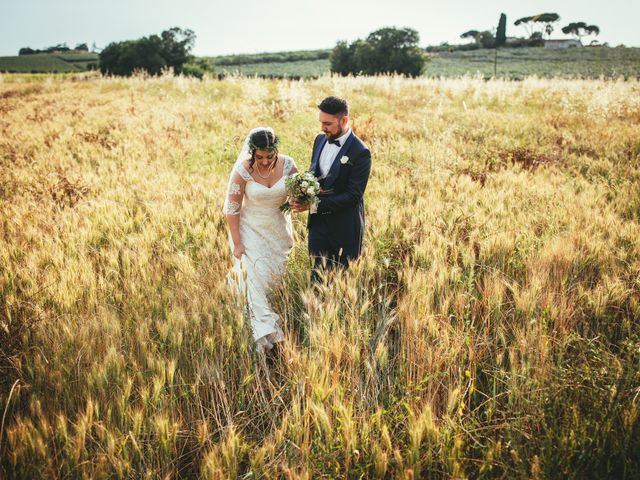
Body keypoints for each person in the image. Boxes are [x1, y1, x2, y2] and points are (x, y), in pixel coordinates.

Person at [223, 127, 298, 352]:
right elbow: (232, 209)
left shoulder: (288, 165)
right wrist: (237, 243)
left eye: (269, 156)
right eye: (260, 157)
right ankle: (266, 335)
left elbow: (297, 198)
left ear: (276, 151)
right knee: (252, 279)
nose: (265, 162)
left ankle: (264, 328)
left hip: (278, 232)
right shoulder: (243, 170)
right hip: (250, 232)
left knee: (269, 282)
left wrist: (301, 201)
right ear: (252, 153)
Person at [290, 96, 372, 279]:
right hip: (317, 227)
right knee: (317, 281)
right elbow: (314, 175)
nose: (322, 128)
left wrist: (313, 205)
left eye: (327, 123)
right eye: (321, 122)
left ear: (344, 120)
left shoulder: (361, 152)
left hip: (345, 229)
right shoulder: (319, 140)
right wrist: (301, 194)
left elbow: (353, 197)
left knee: (342, 286)